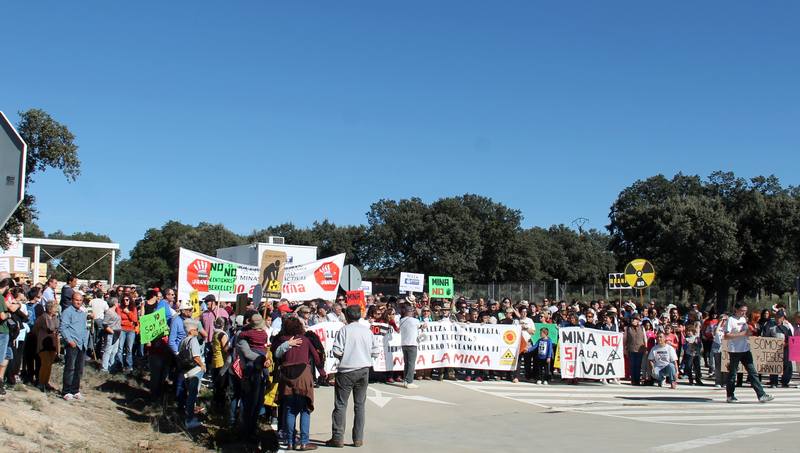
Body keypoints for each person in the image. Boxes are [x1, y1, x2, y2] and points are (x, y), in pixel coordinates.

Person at [326, 305, 381, 448]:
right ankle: (358, 438)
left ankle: (338, 438)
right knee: (360, 405)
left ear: (347, 316)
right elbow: (375, 351)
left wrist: (348, 355)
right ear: (360, 315)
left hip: (346, 371)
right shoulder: (367, 331)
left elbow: (337, 351)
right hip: (363, 370)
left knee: (340, 404)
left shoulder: (344, 330)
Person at [274, 317, 325, 451]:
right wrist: (322, 371)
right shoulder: (305, 340)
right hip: (303, 376)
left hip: (286, 376)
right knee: (305, 409)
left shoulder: (282, 341)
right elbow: (316, 357)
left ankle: (290, 442)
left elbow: (276, 355)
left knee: (290, 410)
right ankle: (303, 442)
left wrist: (287, 345)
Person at [724, 302, 773, 403]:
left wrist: (750, 333)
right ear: (736, 310)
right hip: (734, 350)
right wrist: (742, 334)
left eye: (745, 311)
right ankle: (730, 395)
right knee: (733, 373)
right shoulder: (731, 320)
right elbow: (726, 336)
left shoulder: (744, 319)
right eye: (742, 311)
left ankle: (761, 395)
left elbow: (746, 332)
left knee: (753, 372)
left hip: (745, 349)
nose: (744, 313)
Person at [60, 292, 89, 401]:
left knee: (79, 369)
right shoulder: (67, 312)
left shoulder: (82, 313)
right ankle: (66, 391)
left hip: (82, 344)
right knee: (70, 368)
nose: (78, 302)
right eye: (76, 300)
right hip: (72, 343)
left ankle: (75, 390)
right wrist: (69, 340)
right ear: (72, 300)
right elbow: (63, 328)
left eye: (80, 300)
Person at [177, 318, 205, 429]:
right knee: (192, 396)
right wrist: (202, 366)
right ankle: (189, 420)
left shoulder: (183, 341)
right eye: (196, 329)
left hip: (186, 371)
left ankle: (187, 417)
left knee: (189, 395)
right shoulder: (193, 340)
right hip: (195, 371)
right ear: (191, 330)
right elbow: (196, 356)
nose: (197, 331)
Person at [34, 300, 60, 392]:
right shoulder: (42, 318)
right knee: (45, 364)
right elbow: (36, 329)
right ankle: (41, 382)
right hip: (43, 344)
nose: (56, 310)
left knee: (49, 365)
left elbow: (57, 328)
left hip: (52, 344)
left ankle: (46, 382)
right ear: (49, 308)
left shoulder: (55, 318)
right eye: (54, 308)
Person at [399, 305, 425, 389]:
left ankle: (406, 380)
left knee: (407, 363)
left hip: (404, 343)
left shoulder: (401, 320)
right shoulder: (415, 320)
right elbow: (421, 326)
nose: (413, 312)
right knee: (411, 364)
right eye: (412, 311)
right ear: (409, 312)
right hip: (412, 344)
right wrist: (423, 326)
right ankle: (409, 381)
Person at [116, 295, 139, 372]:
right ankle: (120, 365)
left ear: (130, 300)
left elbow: (135, 319)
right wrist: (128, 322)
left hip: (131, 330)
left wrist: (128, 312)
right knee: (120, 348)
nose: (126, 301)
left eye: (128, 300)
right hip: (122, 329)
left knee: (129, 349)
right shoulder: (119, 308)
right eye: (125, 300)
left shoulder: (133, 308)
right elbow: (118, 319)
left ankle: (129, 365)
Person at [624, 315, 647, 386]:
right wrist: (625, 349)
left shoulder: (642, 328)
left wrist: (646, 348)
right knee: (632, 365)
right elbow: (625, 339)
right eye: (632, 319)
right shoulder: (627, 328)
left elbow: (645, 338)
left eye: (635, 319)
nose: (633, 321)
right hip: (631, 349)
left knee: (638, 365)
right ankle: (633, 380)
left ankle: (637, 380)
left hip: (640, 349)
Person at [101, 298, 122, 372]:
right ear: (115, 303)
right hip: (111, 333)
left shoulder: (115, 311)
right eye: (117, 302)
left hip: (117, 333)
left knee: (114, 350)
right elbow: (104, 323)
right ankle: (104, 367)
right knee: (108, 350)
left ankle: (111, 365)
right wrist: (111, 331)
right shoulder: (109, 312)